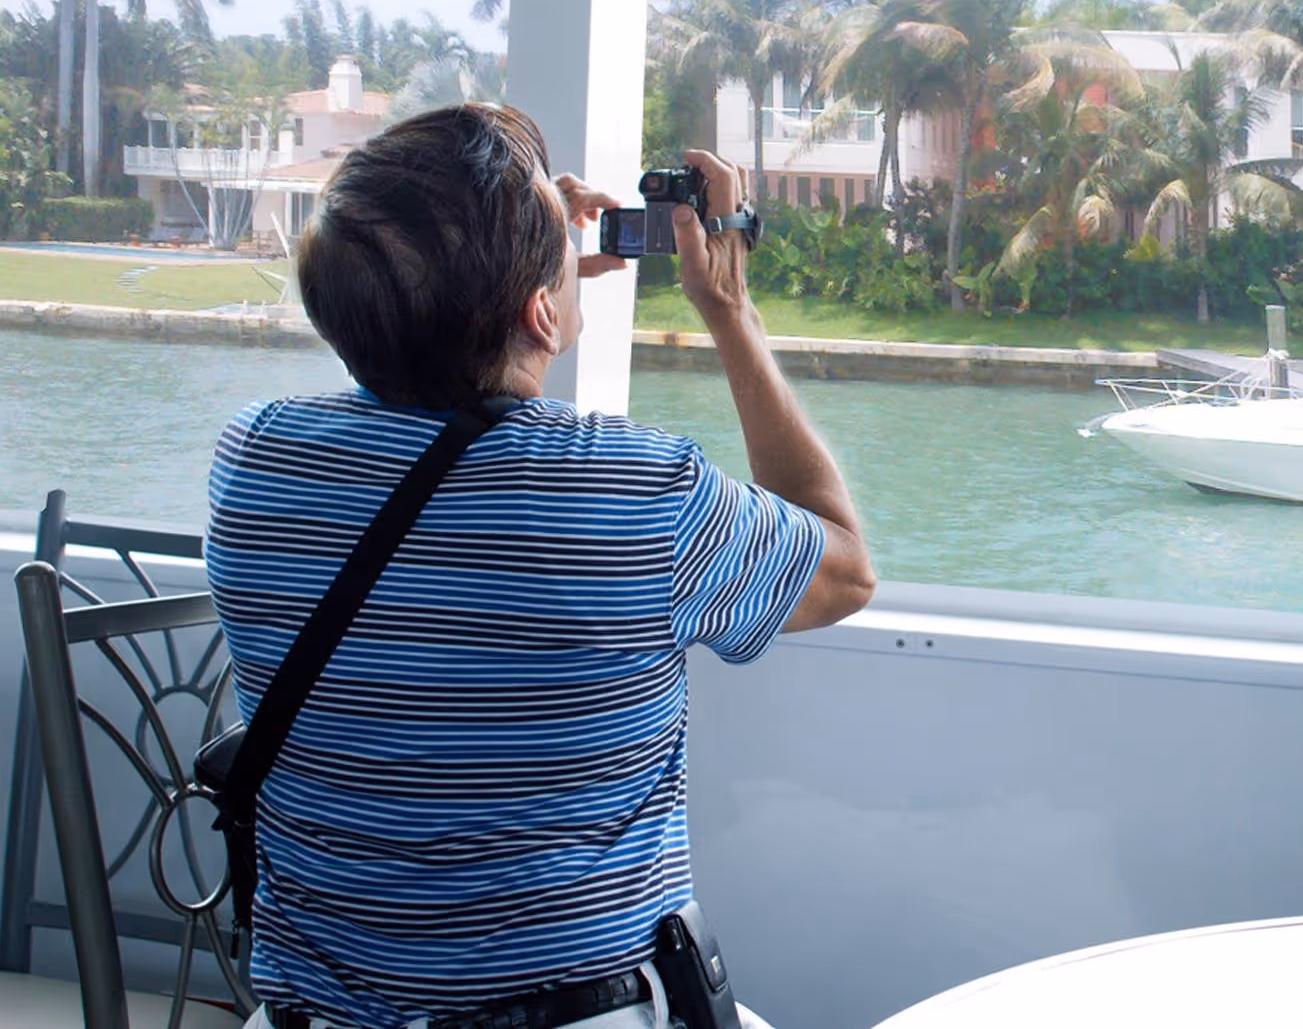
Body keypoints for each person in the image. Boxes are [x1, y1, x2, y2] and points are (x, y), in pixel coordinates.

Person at [206, 103, 874, 1029]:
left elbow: (436, 424)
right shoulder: (637, 491)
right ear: (541, 312)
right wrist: (730, 309)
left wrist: (501, 268)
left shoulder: (256, 459)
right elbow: (842, 568)